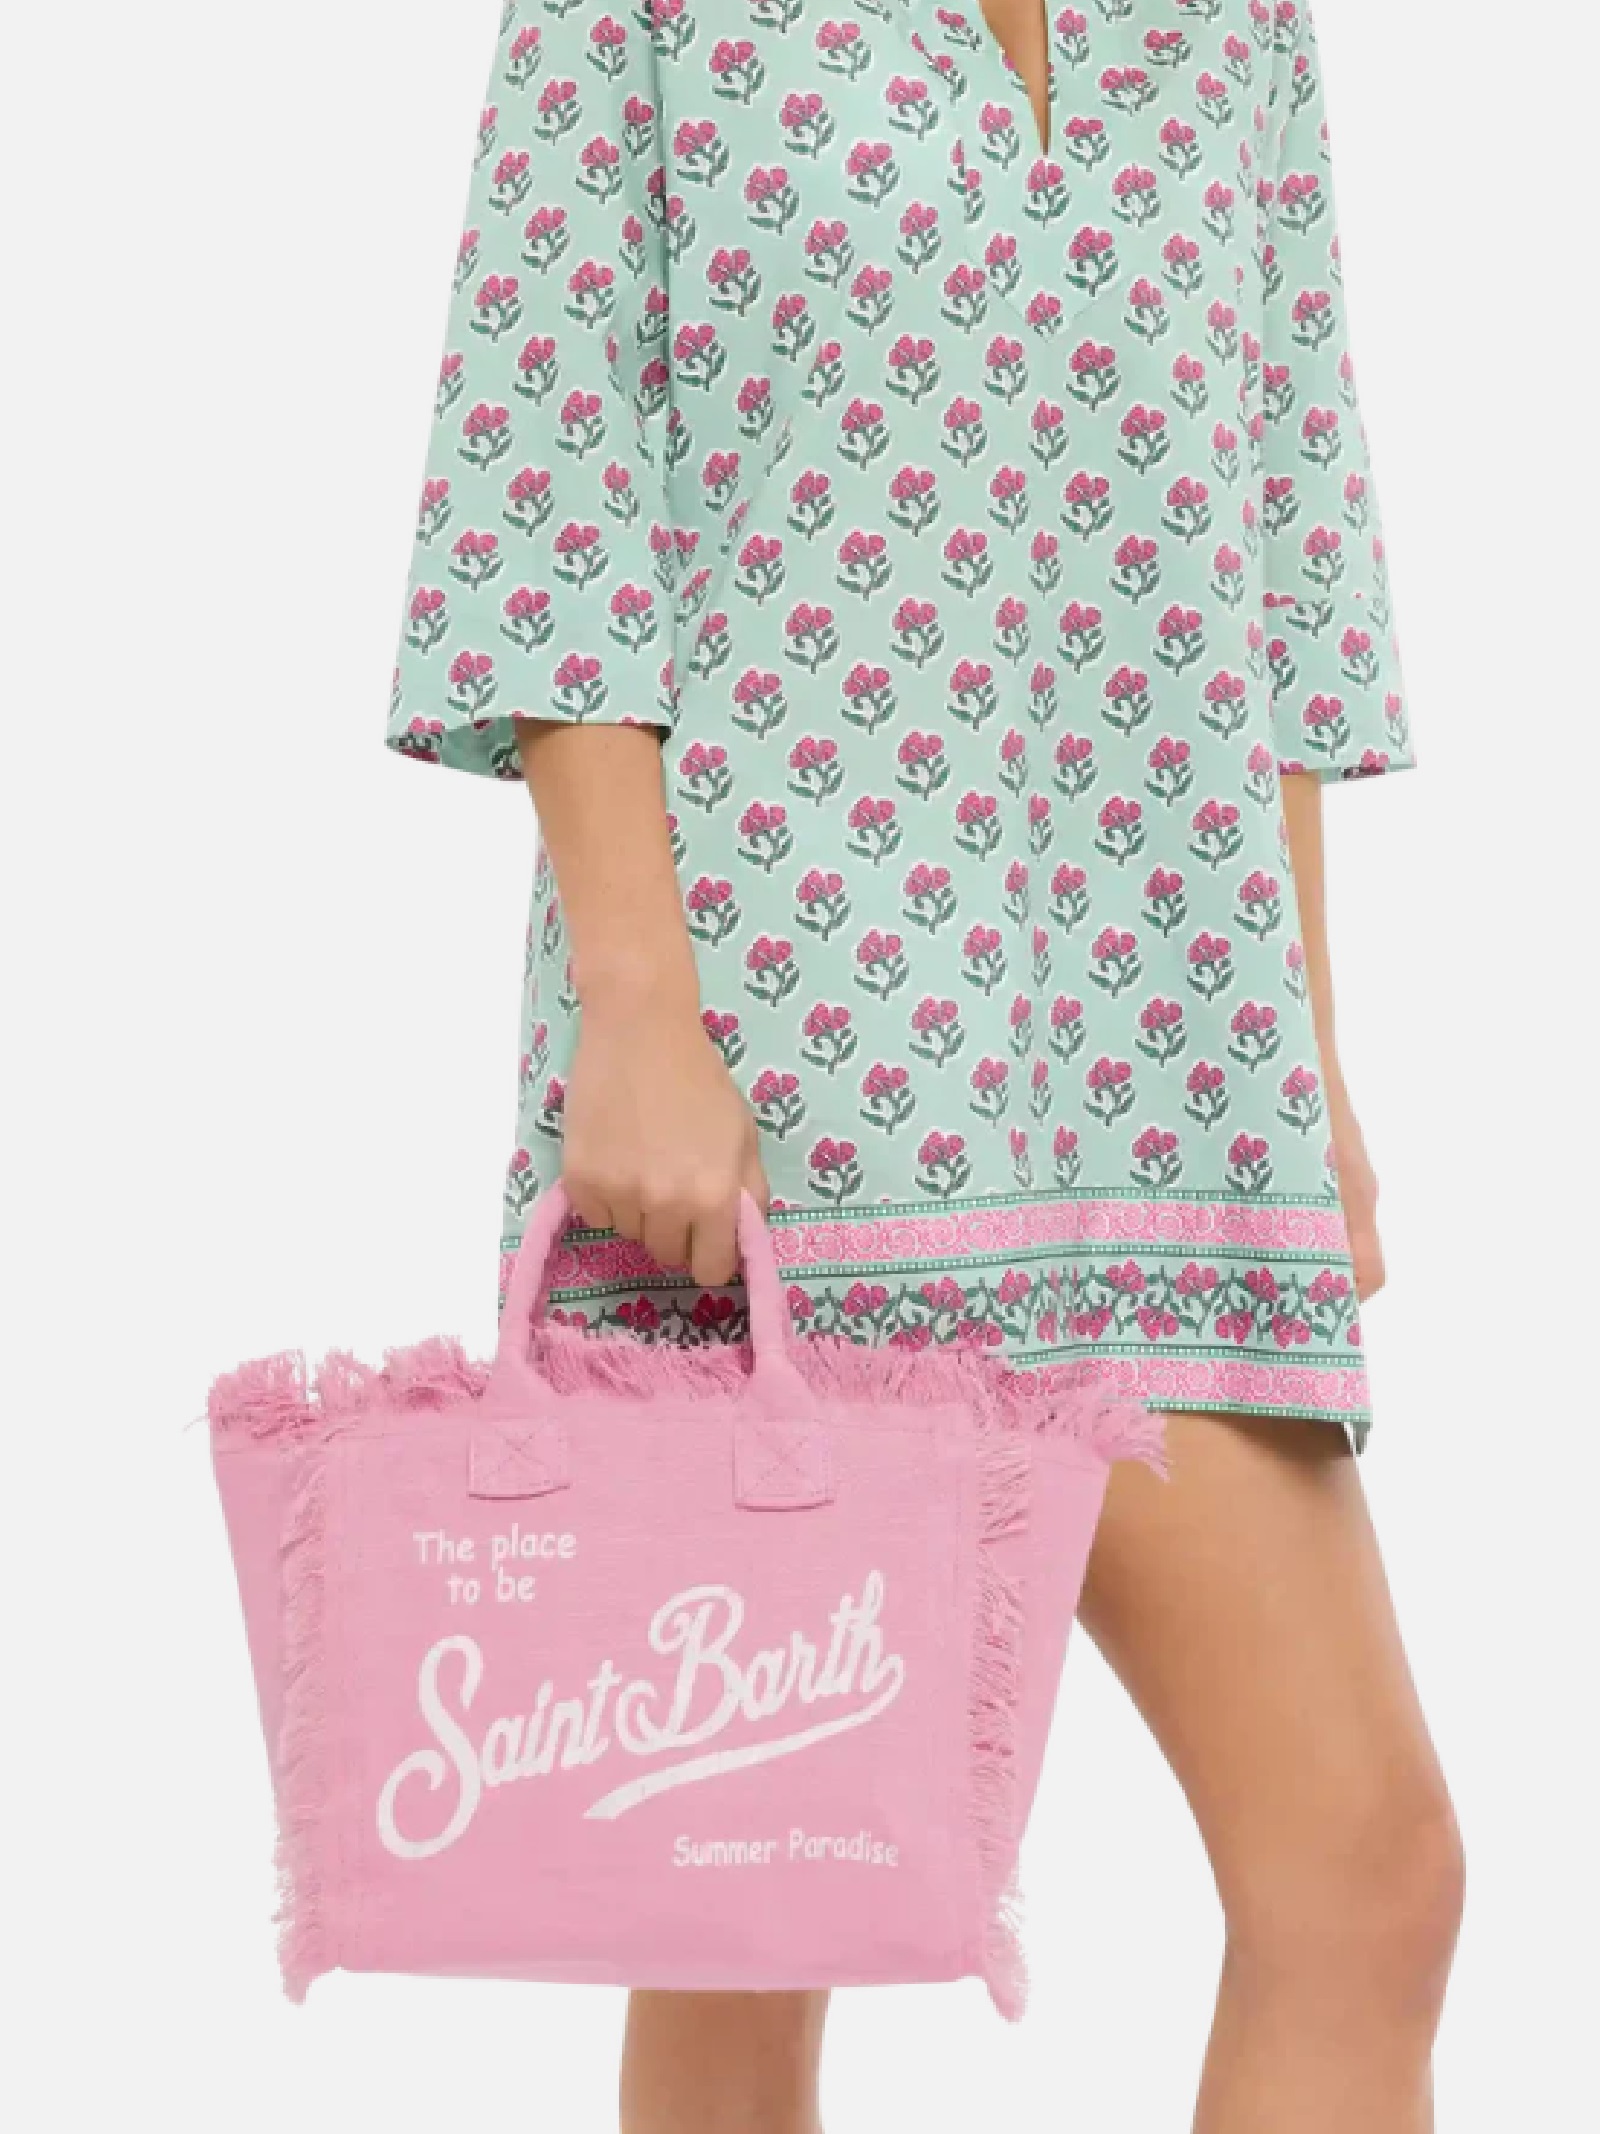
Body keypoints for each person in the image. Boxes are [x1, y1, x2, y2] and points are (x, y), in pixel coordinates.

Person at [385, 1, 1463, 2125]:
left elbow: (1281, 550)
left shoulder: (1237, 25)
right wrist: (635, 1005)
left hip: (1170, 1084)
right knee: (754, 1918)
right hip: (784, 1104)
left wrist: (1312, 1055)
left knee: (1364, 1873)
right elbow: (548, 491)